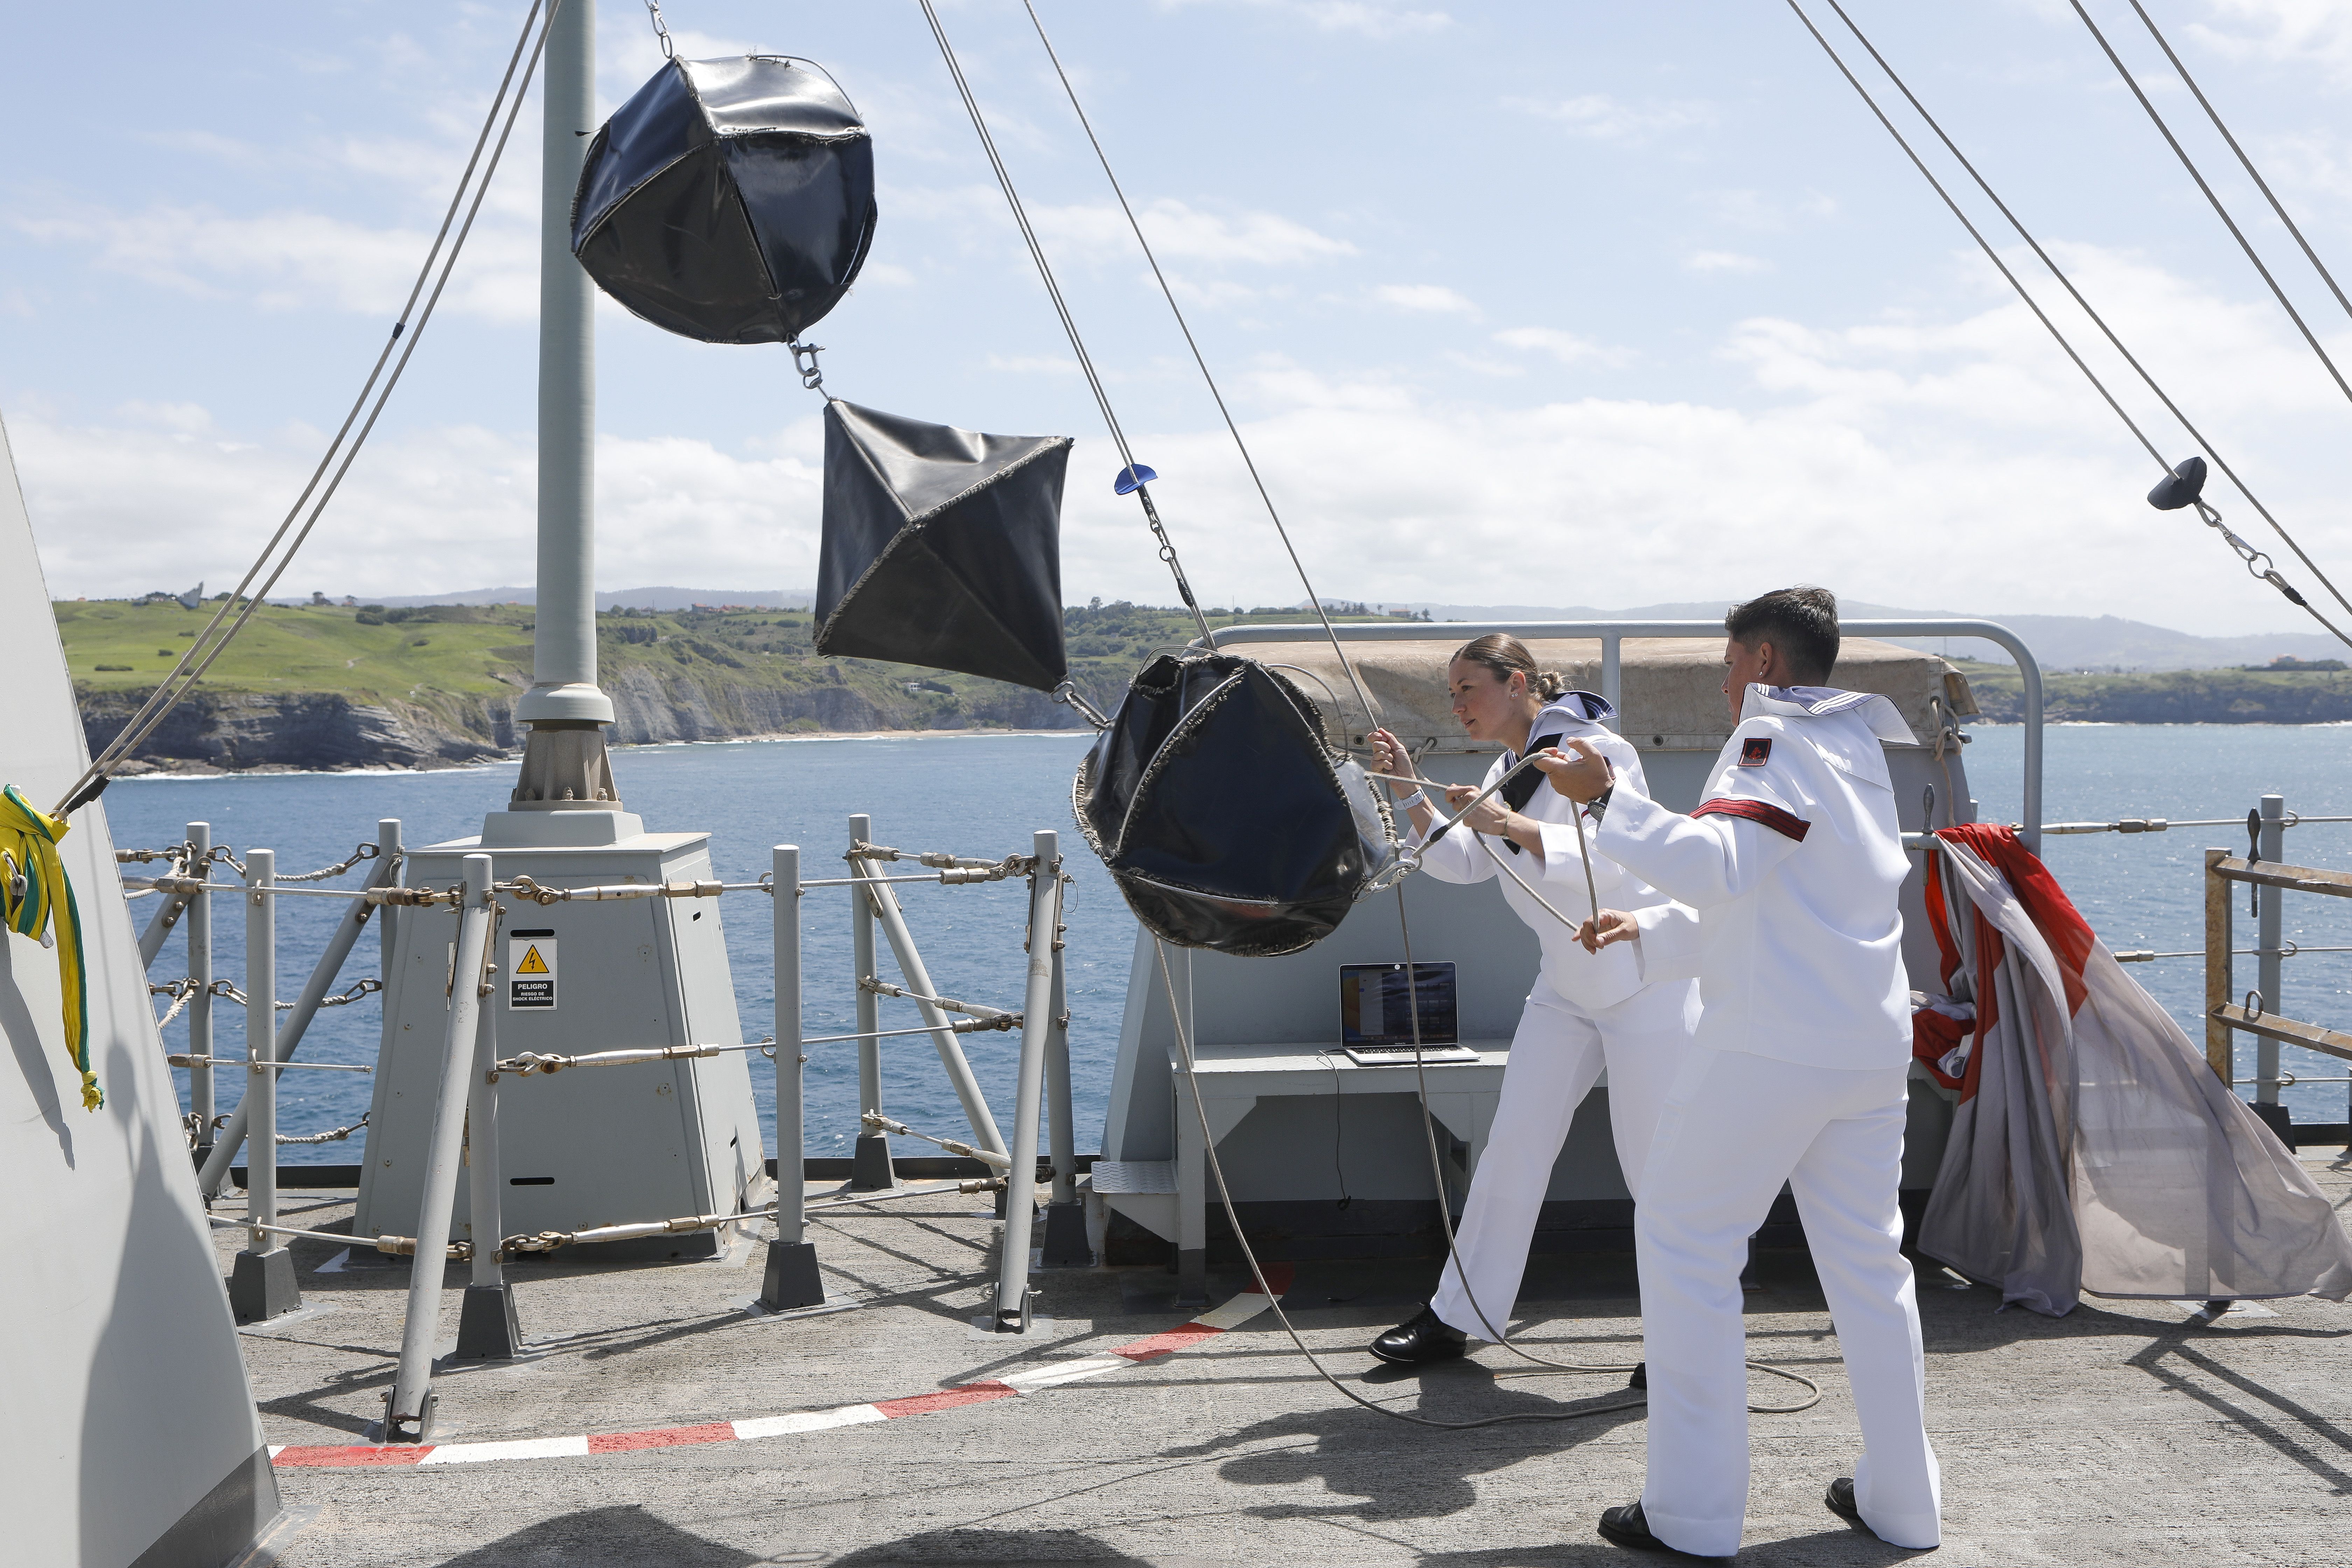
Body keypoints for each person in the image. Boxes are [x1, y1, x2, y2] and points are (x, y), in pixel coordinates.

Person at [1538, 587, 1941, 1558]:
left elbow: (1719, 863)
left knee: (1687, 1244)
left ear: (1761, 661)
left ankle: (1692, 1514)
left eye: (1727, 662)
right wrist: (1656, 930)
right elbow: (1787, 894)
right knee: (1871, 1270)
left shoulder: (1768, 742)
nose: (1725, 682)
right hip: (1869, 1048)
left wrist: (1608, 802)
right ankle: (1906, 1502)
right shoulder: (1857, 749)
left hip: (1770, 1049)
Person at [1363, 634, 1699, 1369]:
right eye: (1450, 691)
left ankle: (1685, 1344)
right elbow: (1461, 862)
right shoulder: (1506, 770)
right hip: (1568, 983)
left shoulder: (1593, 751)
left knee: (1659, 1170)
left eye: (1468, 688)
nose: (1457, 704)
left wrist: (1506, 824)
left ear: (1517, 683)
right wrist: (1410, 790)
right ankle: (1460, 1316)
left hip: (1644, 981)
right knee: (1512, 1146)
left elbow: (1618, 855)